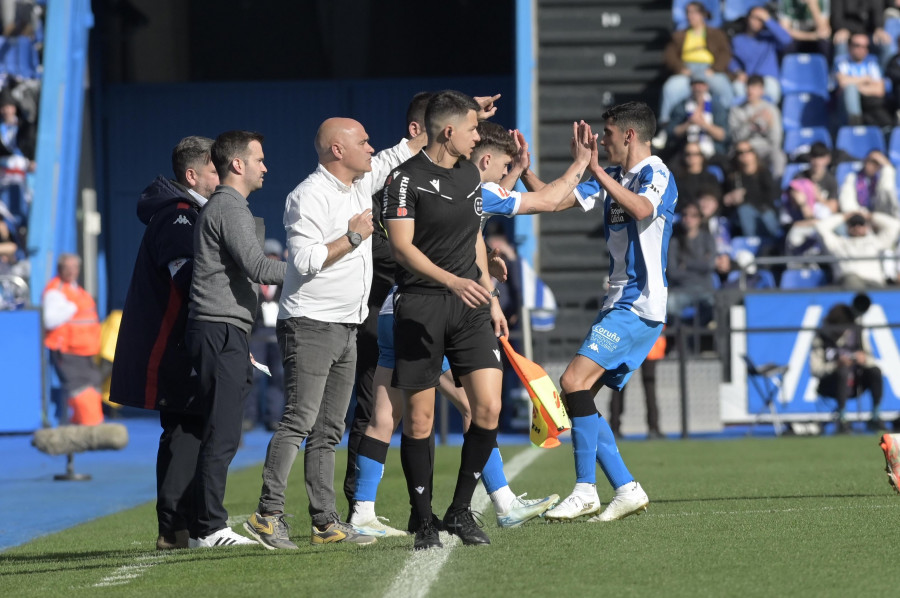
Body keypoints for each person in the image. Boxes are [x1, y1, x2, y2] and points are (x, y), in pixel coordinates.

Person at [348, 119, 592, 539]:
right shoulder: (468, 187)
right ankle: (491, 503)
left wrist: (490, 290)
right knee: (471, 407)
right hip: (429, 311)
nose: (504, 179)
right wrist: (583, 165)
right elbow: (548, 202)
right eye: (501, 168)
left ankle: (363, 511)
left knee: (385, 417)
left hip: (393, 308)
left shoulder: (421, 183)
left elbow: (471, 236)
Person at [244, 117, 422, 550]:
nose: (370, 146)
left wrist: (448, 121)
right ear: (337, 150)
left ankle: (325, 521)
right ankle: (267, 515)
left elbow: (399, 153)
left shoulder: (360, 185)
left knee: (328, 430)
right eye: (362, 141)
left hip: (346, 324)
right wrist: (354, 236)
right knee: (299, 420)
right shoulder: (308, 195)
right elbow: (303, 262)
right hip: (310, 323)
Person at [383, 90, 515, 550]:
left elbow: (475, 237)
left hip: (470, 305)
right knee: (418, 421)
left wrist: (486, 283)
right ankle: (423, 520)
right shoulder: (403, 179)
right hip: (421, 305)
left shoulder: (470, 177)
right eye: (473, 129)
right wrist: (452, 280)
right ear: (448, 131)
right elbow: (402, 248)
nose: (478, 137)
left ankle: (460, 510)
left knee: (489, 407)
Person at [539, 101, 677, 523]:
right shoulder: (614, 176)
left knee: (572, 381)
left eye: (609, 135)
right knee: (578, 396)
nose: (604, 142)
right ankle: (626, 487)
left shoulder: (657, 172)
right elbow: (556, 201)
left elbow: (642, 210)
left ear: (630, 135)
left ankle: (585, 490)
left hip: (639, 303)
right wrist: (525, 173)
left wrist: (595, 170)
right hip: (617, 302)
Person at [109, 136, 219, 551]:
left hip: (178, 342)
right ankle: (178, 529)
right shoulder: (178, 217)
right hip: (175, 344)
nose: (221, 176)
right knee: (185, 429)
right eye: (214, 169)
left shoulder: (184, 214)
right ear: (192, 175)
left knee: (189, 429)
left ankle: (184, 527)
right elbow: (189, 282)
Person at [185, 130, 286, 548]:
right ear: (238, 165)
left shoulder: (229, 207)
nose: (265, 167)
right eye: (259, 159)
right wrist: (321, 264)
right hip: (217, 328)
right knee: (224, 431)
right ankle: (209, 527)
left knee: (220, 428)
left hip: (223, 328)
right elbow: (260, 268)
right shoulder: (229, 206)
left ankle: (200, 525)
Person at [342, 91, 432, 515]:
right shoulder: (377, 185)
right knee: (367, 411)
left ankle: (397, 508)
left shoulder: (437, 181)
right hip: (378, 313)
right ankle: (355, 507)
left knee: (409, 409)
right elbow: (384, 249)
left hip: (419, 310)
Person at [43, 252, 103, 426]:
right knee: (79, 387)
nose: (71, 271)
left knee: (91, 383)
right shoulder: (56, 291)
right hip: (68, 349)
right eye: (67, 267)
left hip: (85, 349)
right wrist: (70, 308)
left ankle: (84, 423)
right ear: (60, 269)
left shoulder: (77, 290)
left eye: (74, 267)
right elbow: (49, 320)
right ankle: (89, 424)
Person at [658, 1, 734, 139]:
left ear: (703, 15)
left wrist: (714, 68)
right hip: (688, 70)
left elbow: (725, 53)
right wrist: (680, 68)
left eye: (694, 12)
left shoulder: (716, 33)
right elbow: (669, 56)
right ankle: (665, 127)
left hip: (709, 69)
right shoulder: (679, 35)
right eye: (688, 13)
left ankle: (728, 126)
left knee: (724, 88)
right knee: (670, 88)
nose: (690, 16)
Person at [810, 293, 884, 432]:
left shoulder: (856, 332)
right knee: (842, 372)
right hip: (831, 383)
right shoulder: (821, 337)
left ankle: (875, 416)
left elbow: (870, 358)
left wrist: (863, 359)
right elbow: (815, 369)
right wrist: (836, 364)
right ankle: (842, 418)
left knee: (875, 371)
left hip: (856, 381)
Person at [243, 238, 286, 432]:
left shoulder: (285, 281)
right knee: (253, 376)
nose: (272, 259)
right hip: (257, 336)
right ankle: (248, 418)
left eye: (275, 256)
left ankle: (274, 418)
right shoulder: (253, 280)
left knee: (278, 377)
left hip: (278, 336)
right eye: (268, 256)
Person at [813, 210, 900, 288]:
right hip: (850, 284)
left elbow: (894, 225)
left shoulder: (876, 242)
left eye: (861, 224)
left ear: (866, 227)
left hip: (874, 283)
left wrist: (870, 216)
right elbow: (820, 227)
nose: (857, 227)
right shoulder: (838, 243)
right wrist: (844, 216)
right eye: (853, 224)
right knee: (852, 279)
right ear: (847, 227)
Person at [722, 141, 782, 246]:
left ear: (754, 153)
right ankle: (752, 245)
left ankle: (772, 247)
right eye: (740, 152)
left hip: (764, 210)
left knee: (765, 215)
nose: (744, 155)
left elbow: (771, 197)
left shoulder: (764, 173)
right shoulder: (734, 177)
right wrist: (729, 198)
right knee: (744, 210)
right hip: (741, 216)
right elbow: (727, 201)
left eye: (748, 151)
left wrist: (745, 195)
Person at [666, 201, 717, 326]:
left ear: (700, 218)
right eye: (685, 215)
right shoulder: (674, 241)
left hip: (705, 289)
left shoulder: (707, 238)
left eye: (693, 215)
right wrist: (700, 266)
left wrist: (686, 264)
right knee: (668, 304)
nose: (688, 219)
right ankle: (681, 338)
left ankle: (694, 338)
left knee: (715, 305)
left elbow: (710, 265)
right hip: (681, 289)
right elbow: (672, 272)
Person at [608, 332, 666, 440]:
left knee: (619, 384)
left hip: (628, 341)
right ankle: (653, 428)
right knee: (649, 386)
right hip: (648, 341)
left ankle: (614, 428)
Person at [729, 6, 793, 103]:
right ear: (747, 19)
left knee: (772, 90)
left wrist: (768, 20)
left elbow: (787, 40)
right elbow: (732, 60)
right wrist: (738, 72)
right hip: (749, 79)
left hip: (767, 78)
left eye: (760, 19)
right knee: (737, 88)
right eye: (754, 17)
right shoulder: (738, 40)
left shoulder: (769, 37)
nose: (756, 21)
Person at [728, 75, 786, 177]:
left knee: (778, 156)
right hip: (744, 148)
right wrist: (750, 122)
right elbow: (735, 138)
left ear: (762, 91)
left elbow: (776, 142)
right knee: (741, 155)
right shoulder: (737, 110)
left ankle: (776, 188)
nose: (750, 91)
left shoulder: (771, 110)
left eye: (754, 87)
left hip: (763, 148)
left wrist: (771, 125)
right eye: (748, 87)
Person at [833, 32, 892, 127]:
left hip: (870, 105)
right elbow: (842, 83)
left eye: (865, 46)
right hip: (845, 109)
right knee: (850, 90)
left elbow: (880, 90)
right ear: (849, 47)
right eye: (857, 46)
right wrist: (866, 79)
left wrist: (854, 85)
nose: (861, 49)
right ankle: (855, 122)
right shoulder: (842, 63)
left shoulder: (872, 64)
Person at [666, 74, 729, 162]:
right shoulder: (681, 106)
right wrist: (689, 123)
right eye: (695, 84)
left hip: (712, 152)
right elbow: (672, 132)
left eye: (701, 84)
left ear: (706, 86)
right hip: (687, 152)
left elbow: (723, 135)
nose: (698, 88)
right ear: (691, 87)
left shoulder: (717, 106)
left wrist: (703, 124)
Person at [838, 150, 899, 217]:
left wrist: (887, 166)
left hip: (878, 216)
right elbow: (847, 202)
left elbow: (887, 190)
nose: (872, 165)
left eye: (876, 163)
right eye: (870, 161)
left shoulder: (881, 180)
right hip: (858, 216)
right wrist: (863, 214)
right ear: (865, 161)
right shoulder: (852, 177)